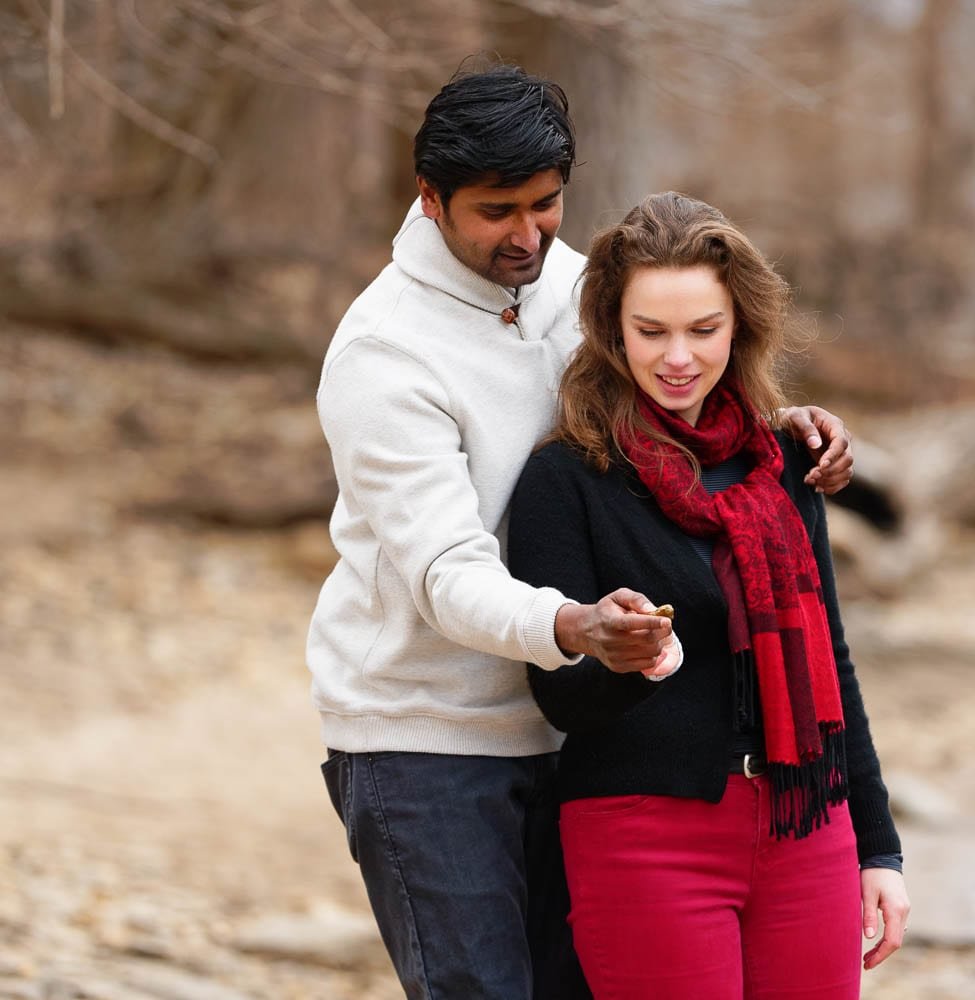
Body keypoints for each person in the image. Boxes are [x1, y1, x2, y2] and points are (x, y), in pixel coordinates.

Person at [307, 65, 855, 999]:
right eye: (495, 213)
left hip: (575, 734)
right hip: (426, 742)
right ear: (429, 199)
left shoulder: (576, 290)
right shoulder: (384, 355)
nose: (526, 235)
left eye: (545, 205)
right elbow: (446, 572)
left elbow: (670, 392)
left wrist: (778, 430)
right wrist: (572, 626)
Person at [507, 191, 909, 1000]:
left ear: (741, 325)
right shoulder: (566, 480)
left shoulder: (784, 463)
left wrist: (879, 849)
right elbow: (559, 699)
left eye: (704, 329)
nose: (678, 357)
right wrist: (625, 659)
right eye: (651, 331)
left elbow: (829, 652)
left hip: (807, 821)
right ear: (613, 329)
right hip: (644, 835)